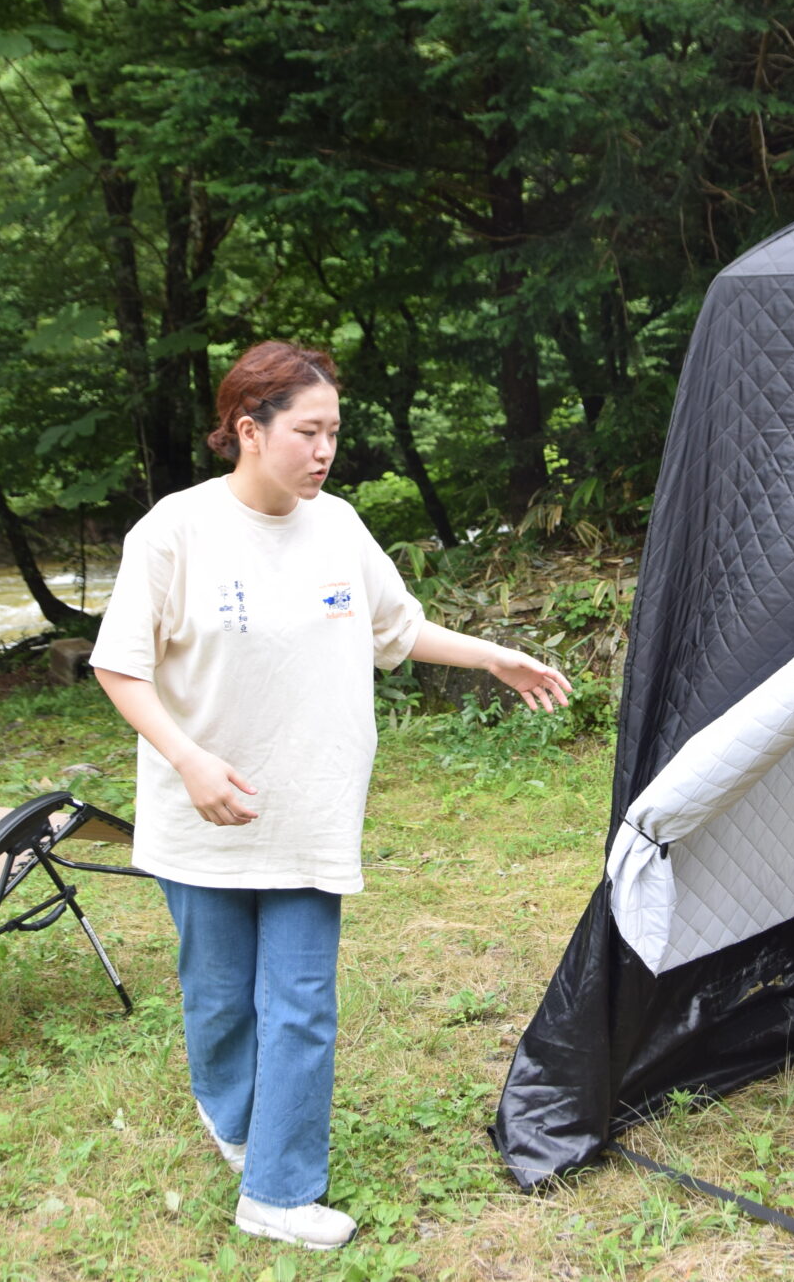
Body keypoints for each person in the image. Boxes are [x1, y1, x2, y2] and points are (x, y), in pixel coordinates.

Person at [89, 341, 571, 1250]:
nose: (324, 450)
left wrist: (493, 655)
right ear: (248, 429)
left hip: (310, 811)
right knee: (220, 999)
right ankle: (235, 1118)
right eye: (307, 431)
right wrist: (190, 760)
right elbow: (121, 668)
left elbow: (400, 627)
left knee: (302, 1000)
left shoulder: (339, 525)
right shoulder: (173, 531)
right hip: (205, 814)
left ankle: (279, 1187)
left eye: (333, 432)